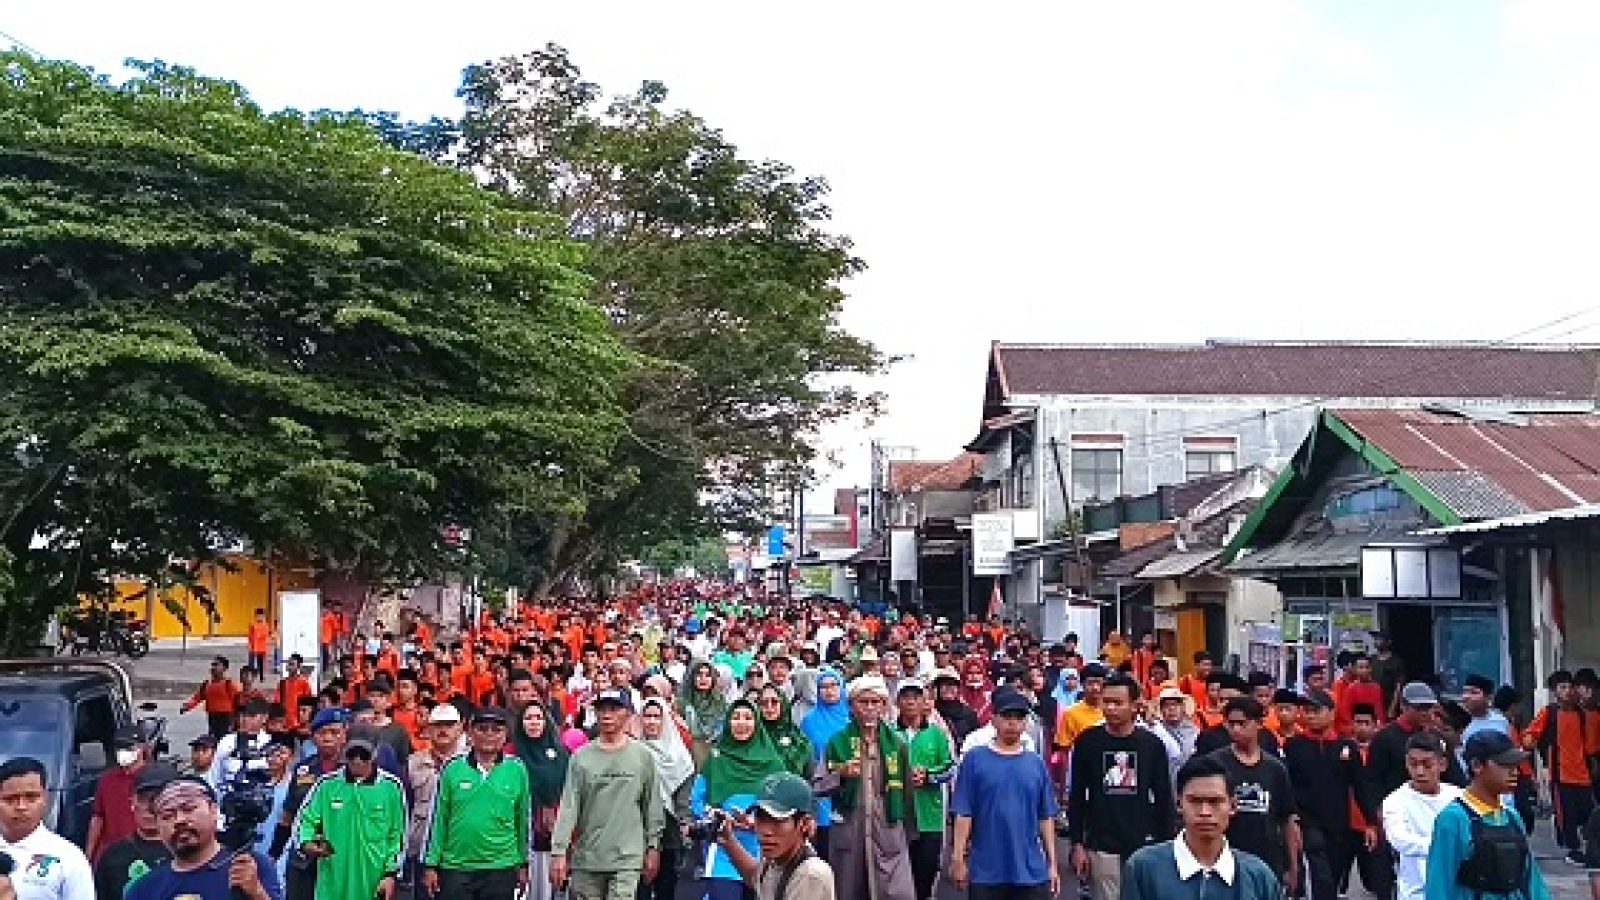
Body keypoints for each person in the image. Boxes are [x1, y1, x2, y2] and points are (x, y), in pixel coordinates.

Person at [1066, 674, 1175, 900]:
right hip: (1101, 842)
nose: (1111, 708)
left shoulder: (1151, 745)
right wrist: (1077, 843)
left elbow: (1163, 797)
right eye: (1106, 702)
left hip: (1144, 842)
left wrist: (1167, 845)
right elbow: (1076, 795)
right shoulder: (1087, 742)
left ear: (1135, 706)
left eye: (1118, 703)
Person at [550, 690, 663, 900]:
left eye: (614, 709)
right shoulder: (581, 757)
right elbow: (569, 807)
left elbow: (652, 805)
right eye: (602, 709)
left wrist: (653, 847)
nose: (607, 715)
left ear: (628, 714)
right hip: (588, 858)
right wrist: (559, 851)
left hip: (627, 859)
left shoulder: (642, 756)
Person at [1120, 754, 1282, 900]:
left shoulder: (1258, 876)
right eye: (1195, 801)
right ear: (1179, 804)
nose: (1205, 812)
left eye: (1215, 801)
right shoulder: (1144, 868)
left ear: (1233, 806)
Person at [949, 687, 1060, 900]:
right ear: (993, 720)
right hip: (986, 873)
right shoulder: (974, 759)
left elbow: (1046, 816)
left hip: (1031, 872)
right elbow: (963, 812)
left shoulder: (1036, 763)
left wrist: (1052, 864)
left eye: (1019, 718)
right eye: (1007, 716)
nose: (1012, 723)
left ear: (1026, 723)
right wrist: (958, 858)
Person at [421, 708, 533, 900]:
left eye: (496, 730)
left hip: (502, 867)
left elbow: (523, 819)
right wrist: (431, 864)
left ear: (506, 734)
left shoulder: (517, 769)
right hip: (456, 867)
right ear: (470, 733)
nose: (489, 734)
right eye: (482, 729)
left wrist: (524, 863)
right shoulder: (452, 768)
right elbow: (438, 819)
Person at [1424, 731, 1550, 900]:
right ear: (1477, 765)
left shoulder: (1512, 817)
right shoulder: (1453, 819)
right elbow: (1439, 885)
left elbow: (1531, 879)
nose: (1514, 772)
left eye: (1515, 765)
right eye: (1505, 764)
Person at [823, 675, 916, 900]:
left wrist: (908, 831)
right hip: (850, 830)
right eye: (863, 702)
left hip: (886, 831)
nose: (870, 708)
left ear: (883, 706)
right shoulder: (837, 742)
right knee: (848, 890)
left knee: (895, 892)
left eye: (875, 702)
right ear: (852, 706)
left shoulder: (897, 744)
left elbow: (907, 792)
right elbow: (818, 784)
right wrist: (841, 774)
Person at [124, 777, 282, 900]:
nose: (179, 820)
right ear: (158, 826)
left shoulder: (250, 865)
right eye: (167, 816)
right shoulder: (144, 890)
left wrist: (257, 892)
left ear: (213, 810)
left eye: (188, 809)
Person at [695, 698, 789, 900]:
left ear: (757, 723)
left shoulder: (773, 763)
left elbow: (786, 807)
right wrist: (713, 815)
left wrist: (756, 822)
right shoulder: (716, 759)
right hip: (723, 851)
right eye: (736, 717)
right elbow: (697, 800)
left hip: (763, 852)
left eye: (748, 717)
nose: (741, 723)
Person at [1283, 692, 1374, 900]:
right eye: (1307, 711)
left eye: (1316, 710)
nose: (1310, 715)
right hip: (1307, 822)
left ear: (1332, 713)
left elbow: (1360, 786)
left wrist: (1370, 822)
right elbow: (1287, 784)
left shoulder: (1346, 747)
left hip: (1339, 824)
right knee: (1320, 872)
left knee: (1334, 875)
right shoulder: (1294, 746)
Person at [293, 736, 407, 900]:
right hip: (333, 880)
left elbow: (398, 836)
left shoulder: (391, 787)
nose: (357, 760)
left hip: (373, 880)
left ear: (374, 755)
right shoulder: (326, 785)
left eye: (364, 755)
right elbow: (305, 820)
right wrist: (306, 843)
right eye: (352, 754)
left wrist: (390, 874)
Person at [1209, 696, 1300, 889]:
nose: (1235, 729)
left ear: (1259, 723)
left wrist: (1293, 867)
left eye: (1242, 723)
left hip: (1267, 862)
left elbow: (1287, 820)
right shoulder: (1215, 764)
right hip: (1224, 861)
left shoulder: (1275, 769)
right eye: (1231, 724)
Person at [713, 772, 836, 900]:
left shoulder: (809, 875)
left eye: (777, 821)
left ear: (804, 823)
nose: (766, 831)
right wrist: (728, 841)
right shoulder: (777, 859)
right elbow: (757, 879)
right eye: (761, 819)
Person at [1524, 669, 1599, 864]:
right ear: (1554, 691)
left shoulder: (1581, 715)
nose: (1567, 691)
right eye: (1562, 687)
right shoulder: (1549, 713)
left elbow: (1589, 744)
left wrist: (1592, 764)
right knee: (1566, 816)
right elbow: (1531, 734)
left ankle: (1587, 848)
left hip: (1582, 774)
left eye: (1569, 687)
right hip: (1560, 775)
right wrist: (1530, 741)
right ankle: (1572, 850)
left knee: (1589, 813)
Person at [1382, 732, 1463, 900]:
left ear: (1442, 764)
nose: (1419, 772)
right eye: (1413, 764)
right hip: (1416, 892)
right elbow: (1399, 838)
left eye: (1427, 764)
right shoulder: (1394, 801)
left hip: (1456, 890)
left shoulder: (1459, 797)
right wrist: (1446, 846)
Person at [895, 679, 956, 900]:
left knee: (927, 871)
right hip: (898, 815)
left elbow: (950, 768)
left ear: (924, 702)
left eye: (916, 697)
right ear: (897, 702)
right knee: (900, 875)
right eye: (905, 697)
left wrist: (929, 776)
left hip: (929, 816)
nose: (911, 702)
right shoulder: (889, 733)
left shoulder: (937, 734)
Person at [0, 757, 94, 900]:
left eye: (31, 797)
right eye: (10, 799)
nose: (21, 807)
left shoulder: (69, 857)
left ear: (44, 798)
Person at [637, 697, 695, 900]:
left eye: (657, 717)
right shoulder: (633, 751)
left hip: (669, 831)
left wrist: (685, 823)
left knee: (666, 888)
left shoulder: (679, 756)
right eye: (647, 716)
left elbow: (683, 798)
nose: (652, 722)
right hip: (638, 832)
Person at [406, 702, 464, 898]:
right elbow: (406, 805)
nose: (443, 730)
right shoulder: (413, 763)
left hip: (460, 850)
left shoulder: (470, 763)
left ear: (460, 728)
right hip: (422, 846)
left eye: (449, 724)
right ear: (429, 729)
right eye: (438, 725)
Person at [94, 762, 177, 900]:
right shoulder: (113, 856)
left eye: (158, 799)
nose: (149, 808)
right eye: (143, 799)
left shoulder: (192, 853)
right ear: (132, 802)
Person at [512, 701, 568, 900]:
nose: (534, 722)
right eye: (528, 718)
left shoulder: (562, 754)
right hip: (519, 839)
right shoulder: (511, 755)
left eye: (538, 718)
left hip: (554, 837)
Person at [799, 668, 851, 861]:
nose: (829, 691)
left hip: (850, 787)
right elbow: (806, 757)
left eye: (834, 685)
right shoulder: (810, 721)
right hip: (822, 790)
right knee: (825, 847)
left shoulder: (852, 718)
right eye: (823, 687)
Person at [87, 726, 146, 864]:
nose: (122, 752)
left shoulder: (152, 779)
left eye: (128, 747)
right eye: (119, 747)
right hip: (111, 854)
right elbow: (98, 817)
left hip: (142, 854)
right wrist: (89, 853)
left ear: (141, 748)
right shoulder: (107, 779)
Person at [182, 657, 242, 740]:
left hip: (226, 718)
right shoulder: (207, 684)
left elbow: (237, 701)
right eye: (213, 665)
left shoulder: (229, 684)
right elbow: (197, 698)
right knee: (213, 739)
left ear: (224, 668)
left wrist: (237, 720)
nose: (213, 667)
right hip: (212, 717)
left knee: (225, 740)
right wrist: (187, 706)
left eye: (217, 665)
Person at [248, 609, 273, 680]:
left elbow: (265, 634)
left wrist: (260, 635)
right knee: (252, 662)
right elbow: (250, 635)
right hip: (254, 646)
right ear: (255, 616)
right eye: (258, 616)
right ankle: (253, 674)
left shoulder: (265, 625)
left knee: (261, 662)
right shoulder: (252, 624)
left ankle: (261, 676)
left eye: (261, 616)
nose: (260, 617)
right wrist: (250, 644)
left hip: (262, 647)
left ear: (264, 616)